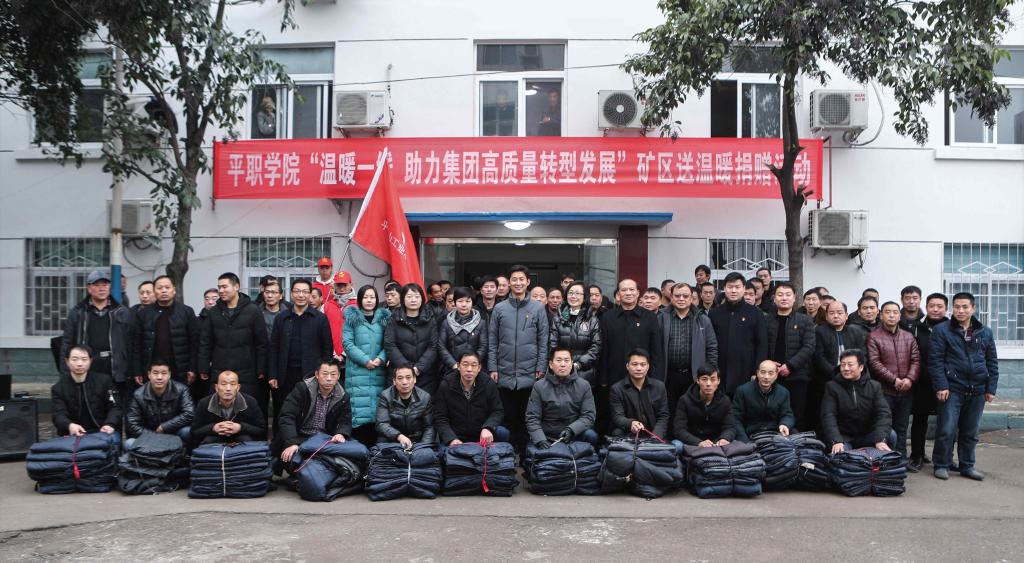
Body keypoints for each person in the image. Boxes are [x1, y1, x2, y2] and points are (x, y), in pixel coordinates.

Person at [930, 292, 998, 481]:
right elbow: (935, 361)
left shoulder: (985, 332)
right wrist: (941, 385)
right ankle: (941, 464)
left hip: (978, 389)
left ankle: (967, 466)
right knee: (947, 429)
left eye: (965, 307)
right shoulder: (942, 330)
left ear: (973, 308)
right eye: (957, 307)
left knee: (970, 431)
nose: (960, 310)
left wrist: (991, 388)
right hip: (952, 388)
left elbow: (992, 361)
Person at [488, 265, 549, 451]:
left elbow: (543, 341)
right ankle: (507, 455)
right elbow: (492, 340)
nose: (518, 283)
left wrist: (541, 366)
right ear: (508, 283)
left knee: (527, 417)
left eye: (522, 279)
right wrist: (492, 367)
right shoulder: (499, 308)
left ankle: (525, 455)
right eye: (514, 279)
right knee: (507, 417)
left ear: (528, 282)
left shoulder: (538, 308)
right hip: (504, 372)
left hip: (529, 372)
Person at [198, 272, 270, 416]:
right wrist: (203, 367)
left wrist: (261, 368)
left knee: (245, 411)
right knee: (218, 412)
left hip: (246, 372)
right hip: (220, 370)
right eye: (219, 287)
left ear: (236, 286)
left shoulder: (253, 310)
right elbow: (205, 342)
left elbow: (262, 343)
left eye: (225, 287)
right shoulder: (214, 312)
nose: (221, 291)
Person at [268, 278, 333, 431]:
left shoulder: (320, 319)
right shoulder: (281, 318)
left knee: (308, 412)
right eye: (297, 291)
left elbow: (327, 349)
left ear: (310, 295)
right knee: (283, 411)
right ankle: (282, 443)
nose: (301, 295)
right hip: (285, 375)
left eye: (305, 292)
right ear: (291, 294)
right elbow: (274, 348)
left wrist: (324, 374)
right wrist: (272, 374)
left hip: (311, 375)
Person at [60, 270, 133, 404]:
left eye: (105, 285)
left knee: (114, 404)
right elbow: (67, 342)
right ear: (89, 288)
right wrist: (66, 372)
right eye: (97, 285)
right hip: (89, 365)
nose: (102, 288)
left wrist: (130, 371)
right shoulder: (78, 312)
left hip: (114, 366)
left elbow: (130, 343)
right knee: (91, 404)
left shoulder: (121, 312)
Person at [599, 278, 662, 433]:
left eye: (632, 289)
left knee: (644, 413)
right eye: (624, 290)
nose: (628, 293)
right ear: (618, 294)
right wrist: (603, 378)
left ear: (638, 293)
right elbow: (603, 350)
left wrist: (656, 378)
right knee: (614, 417)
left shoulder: (649, 317)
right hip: (615, 375)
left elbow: (656, 351)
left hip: (643, 376)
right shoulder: (608, 317)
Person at [657, 282, 717, 423]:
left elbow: (712, 348)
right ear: (671, 297)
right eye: (677, 296)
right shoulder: (661, 318)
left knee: (692, 410)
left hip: (693, 374)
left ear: (692, 298)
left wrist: (710, 372)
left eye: (685, 296)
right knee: (668, 410)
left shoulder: (703, 320)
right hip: (668, 374)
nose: (681, 299)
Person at [866, 301, 920, 458]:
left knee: (902, 428)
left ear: (899, 316)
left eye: (895, 312)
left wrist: (909, 379)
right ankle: (885, 460)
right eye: (887, 312)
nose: (891, 315)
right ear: (881, 315)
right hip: (884, 391)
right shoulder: (873, 336)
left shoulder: (908, 336)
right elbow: (874, 363)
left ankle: (901, 460)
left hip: (906, 391)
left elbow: (916, 360)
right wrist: (894, 380)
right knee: (885, 428)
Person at [905, 292, 948, 472]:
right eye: (932, 306)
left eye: (940, 306)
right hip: (922, 382)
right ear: (926, 307)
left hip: (946, 382)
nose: (935, 309)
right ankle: (917, 455)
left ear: (946, 309)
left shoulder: (951, 327)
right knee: (920, 420)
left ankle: (944, 458)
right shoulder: (917, 327)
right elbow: (912, 353)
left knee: (946, 422)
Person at [275, 359, 351, 463]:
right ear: (317, 374)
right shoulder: (302, 389)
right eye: (325, 374)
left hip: (325, 439)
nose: (329, 378)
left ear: (338, 376)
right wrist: (292, 443)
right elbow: (287, 416)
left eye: (333, 374)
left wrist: (341, 433)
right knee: (294, 460)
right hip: (300, 437)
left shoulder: (343, 396)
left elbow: (345, 420)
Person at [344, 285, 392, 446]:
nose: (369, 300)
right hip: (357, 372)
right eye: (365, 297)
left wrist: (380, 359)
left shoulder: (384, 318)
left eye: (372, 297)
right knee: (359, 412)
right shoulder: (352, 318)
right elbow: (347, 343)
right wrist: (365, 360)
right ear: (359, 299)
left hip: (379, 371)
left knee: (378, 413)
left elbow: (389, 342)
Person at [764, 282, 817, 431]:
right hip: (772, 375)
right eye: (780, 295)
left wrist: (790, 365)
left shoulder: (805, 320)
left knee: (797, 414)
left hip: (797, 375)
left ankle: (798, 442)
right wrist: (769, 364)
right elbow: (762, 345)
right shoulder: (767, 320)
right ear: (774, 298)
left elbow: (809, 347)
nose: (784, 298)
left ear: (794, 298)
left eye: (788, 295)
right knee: (772, 413)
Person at [820, 350, 893, 455]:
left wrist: (881, 439)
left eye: (850, 365)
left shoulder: (874, 386)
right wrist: (836, 440)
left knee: (891, 436)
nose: (846, 368)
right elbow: (828, 416)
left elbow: (883, 413)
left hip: (867, 435)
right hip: (843, 437)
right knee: (842, 455)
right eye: (843, 365)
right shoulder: (832, 387)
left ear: (861, 367)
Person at [811, 300, 868, 433]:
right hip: (826, 381)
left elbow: (862, 355)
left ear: (846, 315)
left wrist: (852, 373)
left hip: (852, 381)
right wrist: (837, 373)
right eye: (831, 313)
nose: (835, 316)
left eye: (839, 312)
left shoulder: (855, 332)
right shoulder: (819, 331)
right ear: (826, 316)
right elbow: (819, 357)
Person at [133, 275, 199, 387]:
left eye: (167, 287)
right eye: (159, 288)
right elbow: (137, 344)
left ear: (174, 290)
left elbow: (195, 343)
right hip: (152, 369)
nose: (163, 291)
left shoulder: (186, 311)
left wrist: (192, 368)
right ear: (154, 291)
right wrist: (137, 370)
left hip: (180, 369)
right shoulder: (143, 314)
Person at [710, 272, 768, 396]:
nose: (733, 290)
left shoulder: (755, 313)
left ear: (743, 288)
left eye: (737, 287)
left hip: (746, 371)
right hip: (720, 372)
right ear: (724, 288)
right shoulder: (715, 313)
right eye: (730, 287)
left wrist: (757, 371)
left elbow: (762, 345)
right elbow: (709, 344)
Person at [526, 348, 598, 448]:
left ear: (572, 363)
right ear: (551, 364)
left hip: (574, 432)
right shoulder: (539, 386)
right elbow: (532, 417)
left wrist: (571, 430)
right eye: (559, 360)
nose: (563, 364)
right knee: (533, 442)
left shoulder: (584, 385)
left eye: (566, 360)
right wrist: (540, 440)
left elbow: (588, 416)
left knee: (591, 436)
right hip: (547, 434)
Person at [433, 352, 508, 447]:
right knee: (443, 451)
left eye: (473, 365)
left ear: (479, 368)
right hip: (456, 435)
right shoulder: (446, 385)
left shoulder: (488, 384)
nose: (469, 369)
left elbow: (497, 411)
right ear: (458, 366)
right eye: (465, 365)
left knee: (503, 432)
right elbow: (440, 417)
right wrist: (451, 438)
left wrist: (488, 427)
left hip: (481, 434)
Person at [52, 346, 121, 439]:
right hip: (73, 435)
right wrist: (69, 425)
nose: (79, 364)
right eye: (74, 359)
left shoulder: (104, 381)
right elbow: (58, 414)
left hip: (102, 432)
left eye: (84, 359)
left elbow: (115, 407)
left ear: (90, 361)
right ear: (67, 361)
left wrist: (109, 424)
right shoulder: (58, 388)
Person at [384, 283, 439, 395]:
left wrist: (419, 367)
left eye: (417, 296)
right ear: (403, 299)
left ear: (422, 299)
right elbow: (390, 345)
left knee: (424, 403)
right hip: (399, 373)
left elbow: (433, 346)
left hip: (425, 374)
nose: (413, 300)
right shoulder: (394, 318)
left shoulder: (430, 318)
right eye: (409, 297)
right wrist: (407, 369)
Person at [125, 359, 194, 445]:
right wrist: (155, 436)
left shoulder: (181, 390)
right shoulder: (139, 394)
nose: (159, 377)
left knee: (187, 431)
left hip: (173, 434)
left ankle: (184, 453)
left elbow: (189, 413)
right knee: (129, 443)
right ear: (149, 374)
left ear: (169, 375)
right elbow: (132, 423)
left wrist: (164, 426)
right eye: (155, 373)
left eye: (164, 373)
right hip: (149, 436)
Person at [190, 370, 266, 445]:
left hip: (241, 438)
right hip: (214, 439)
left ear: (238, 387)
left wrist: (240, 427)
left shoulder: (250, 402)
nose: (228, 388)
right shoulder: (204, 403)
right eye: (223, 384)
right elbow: (194, 431)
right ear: (216, 387)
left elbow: (261, 429)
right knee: (209, 441)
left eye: (232, 384)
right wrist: (213, 428)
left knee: (246, 440)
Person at [549, 281, 602, 386]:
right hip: (560, 371)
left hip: (584, 373)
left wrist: (578, 364)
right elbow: (552, 344)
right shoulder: (557, 319)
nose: (573, 296)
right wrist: (562, 363)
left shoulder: (592, 320)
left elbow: (596, 347)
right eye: (570, 293)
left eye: (577, 293)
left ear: (585, 297)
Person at [608, 348, 669, 439]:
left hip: (653, 433)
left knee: (677, 445)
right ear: (627, 366)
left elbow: (663, 416)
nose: (639, 368)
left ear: (648, 367)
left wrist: (655, 436)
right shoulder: (617, 389)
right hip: (628, 434)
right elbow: (617, 417)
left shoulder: (659, 387)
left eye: (643, 364)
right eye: (634, 364)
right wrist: (631, 423)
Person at [732, 360, 795, 442]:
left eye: (771, 373)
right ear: (757, 373)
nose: (766, 377)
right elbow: (735, 419)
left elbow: (787, 414)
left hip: (776, 433)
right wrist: (745, 442)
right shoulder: (742, 391)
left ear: (776, 375)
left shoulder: (783, 392)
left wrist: (784, 424)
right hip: (751, 434)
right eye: (763, 372)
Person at [673, 366, 735, 449]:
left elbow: (730, 427)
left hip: (716, 442)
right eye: (704, 379)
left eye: (713, 379)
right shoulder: (685, 400)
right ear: (698, 381)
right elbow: (679, 430)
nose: (708, 384)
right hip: (692, 442)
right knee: (676, 446)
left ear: (718, 381)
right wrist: (698, 442)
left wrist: (724, 438)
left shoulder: (725, 401)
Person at [375, 365, 435, 447]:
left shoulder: (424, 397)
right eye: (400, 378)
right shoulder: (386, 396)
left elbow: (429, 427)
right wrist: (399, 436)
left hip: (417, 441)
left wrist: (422, 447)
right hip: (392, 440)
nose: (404, 382)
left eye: (408, 377)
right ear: (394, 381)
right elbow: (381, 424)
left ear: (414, 379)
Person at [438, 286, 488, 378]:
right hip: (451, 369)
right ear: (455, 302)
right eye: (460, 301)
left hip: (474, 370)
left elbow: (483, 346)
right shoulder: (446, 322)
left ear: (472, 302)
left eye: (467, 301)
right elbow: (441, 346)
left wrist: (472, 364)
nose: (464, 305)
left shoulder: (481, 323)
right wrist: (454, 364)